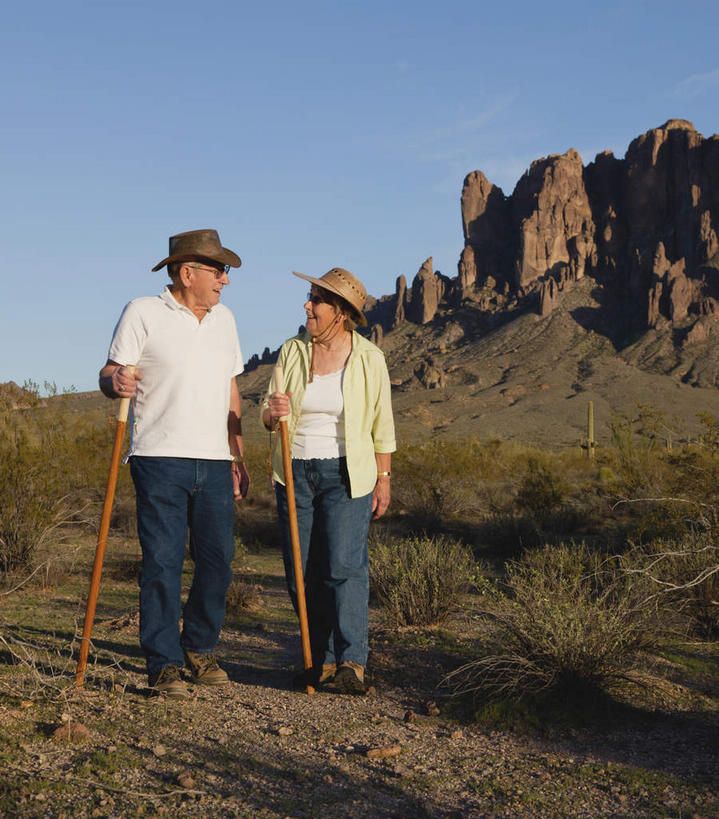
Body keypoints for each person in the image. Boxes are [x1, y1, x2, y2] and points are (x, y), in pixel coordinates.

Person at [99, 229, 250, 699]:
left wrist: (237, 453)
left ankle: (199, 648)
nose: (225, 280)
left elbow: (230, 389)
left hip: (214, 459)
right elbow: (109, 373)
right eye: (218, 270)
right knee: (162, 562)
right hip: (158, 457)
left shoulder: (224, 319)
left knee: (218, 563)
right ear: (188, 273)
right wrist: (117, 380)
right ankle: (163, 663)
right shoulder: (142, 312)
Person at [262, 267, 395, 694]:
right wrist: (273, 412)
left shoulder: (370, 358)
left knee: (343, 565)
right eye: (309, 297)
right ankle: (314, 659)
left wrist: (384, 477)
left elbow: (382, 424)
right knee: (302, 570)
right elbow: (267, 415)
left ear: (339, 312)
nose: (307, 306)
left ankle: (351, 661)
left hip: (347, 473)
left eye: (316, 300)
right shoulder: (292, 351)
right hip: (295, 470)